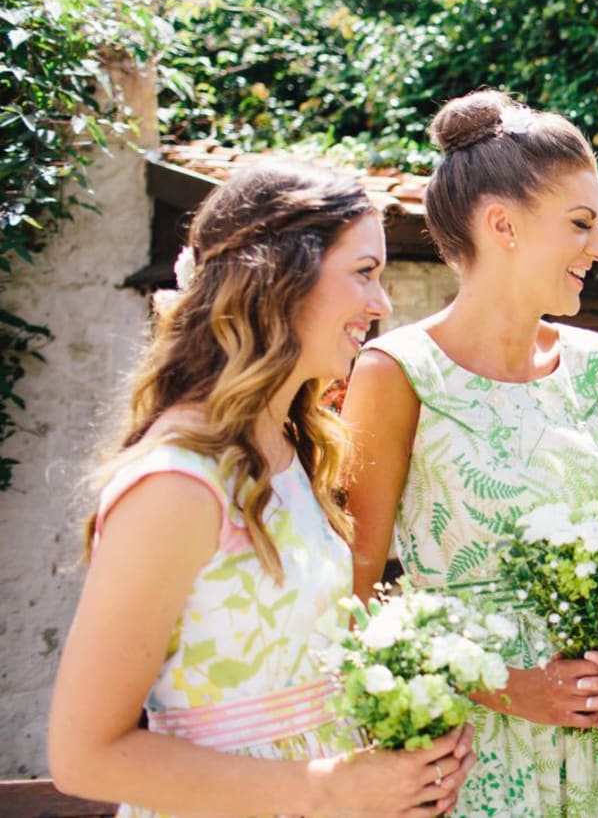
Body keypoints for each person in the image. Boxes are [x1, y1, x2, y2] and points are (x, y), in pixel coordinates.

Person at [48, 161, 474, 817]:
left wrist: (402, 758)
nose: (381, 303)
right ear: (281, 277)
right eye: (364, 272)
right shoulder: (177, 482)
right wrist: (331, 787)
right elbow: (83, 753)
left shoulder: (292, 448)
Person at [340, 91, 598, 818]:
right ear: (502, 224)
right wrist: (514, 687)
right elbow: (355, 598)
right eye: (582, 224)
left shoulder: (597, 366)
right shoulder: (396, 372)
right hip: (468, 744)